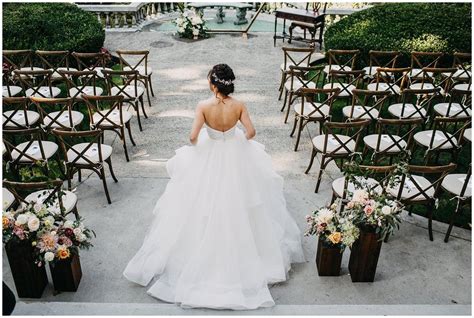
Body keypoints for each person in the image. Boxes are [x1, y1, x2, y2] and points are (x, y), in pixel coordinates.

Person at [123, 64, 305, 310]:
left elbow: (192, 137)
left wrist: (205, 141)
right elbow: (251, 132)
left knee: (200, 203)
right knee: (244, 202)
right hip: (234, 152)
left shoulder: (203, 106)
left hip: (209, 154)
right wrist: (234, 138)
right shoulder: (239, 105)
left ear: (212, 84)